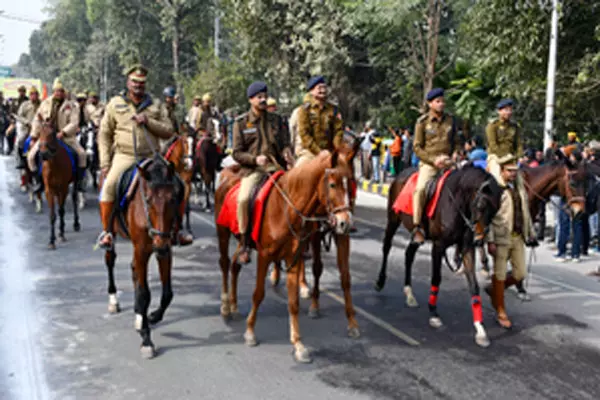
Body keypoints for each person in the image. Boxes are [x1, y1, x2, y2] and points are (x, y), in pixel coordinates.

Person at [96, 65, 192, 249]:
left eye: (141, 82)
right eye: (134, 82)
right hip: (125, 156)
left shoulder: (156, 105)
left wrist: (148, 121)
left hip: (151, 156)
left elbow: (168, 131)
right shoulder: (115, 104)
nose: (138, 85)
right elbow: (104, 134)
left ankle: (178, 230)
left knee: (178, 184)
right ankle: (107, 232)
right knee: (109, 186)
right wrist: (105, 163)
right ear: (128, 82)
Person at [232, 81, 294, 264]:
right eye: (259, 97)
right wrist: (254, 159)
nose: (263, 100)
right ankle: (244, 242)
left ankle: (298, 240)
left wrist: (287, 154)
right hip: (254, 171)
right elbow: (236, 152)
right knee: (243, 199)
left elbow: (285, 144)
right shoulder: (241, 123)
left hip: (277, 168)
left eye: (264, 96)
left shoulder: (277, 120)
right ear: (251, 100)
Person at [485, 154, 537, 329]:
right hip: (500, 237)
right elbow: (488, 217)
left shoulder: (519, 188)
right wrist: (490, 240)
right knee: (499, 273)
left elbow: (525, 212)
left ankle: (494, 290)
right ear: (502, 171)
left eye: (515, 171)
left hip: (518, 237)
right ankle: (500, 310)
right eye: (510, 171)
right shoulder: (495, 188)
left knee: (519, 274)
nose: (513, 174)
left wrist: (531, 232)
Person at [411, 88, 458, 244]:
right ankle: (417, 226)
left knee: (466, 186)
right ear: (430, 103)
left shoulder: (451, 120)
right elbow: (417, 147)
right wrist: (433, 161)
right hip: (430, 163)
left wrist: (455, 154)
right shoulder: (422, 122)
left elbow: (456, 142)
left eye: (442, 101)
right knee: (421, 190)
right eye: (437, 101)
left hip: (448, 161)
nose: (441, 104)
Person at [27, 78, 87, 194]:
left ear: (64, 92)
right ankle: (39, 181)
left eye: (61, 91)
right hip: (47, 137)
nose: (59, 93)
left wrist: (63, 132)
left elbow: (74, 122)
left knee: (82, 154)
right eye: (57, 91)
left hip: (66, 137)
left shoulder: (72, 105)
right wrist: (34, 137)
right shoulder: (45, 103)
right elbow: (37, 120)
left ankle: (79, 181)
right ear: (53, 91)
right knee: (30, 157)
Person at [295, 76, 343, 167]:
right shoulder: (305, 110)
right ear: (311, 91)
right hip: (310, 152)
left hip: (330, 151)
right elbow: (304, 134)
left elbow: (338, 131)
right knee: (298, 170)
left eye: (324, 87)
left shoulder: (334, 109)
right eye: (319, 88)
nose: (323, 90)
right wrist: (319, 152)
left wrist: (336, 149)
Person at [15, 86, 41, 169]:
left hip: (39, 128)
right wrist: (27, 122)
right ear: (30, 95)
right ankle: (22, 160)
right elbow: (19, 116)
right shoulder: (25, 104)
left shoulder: (42, 104)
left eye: (36, 94)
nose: (34, 96)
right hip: (27, 127)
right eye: (32, 94)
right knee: (21, 140)